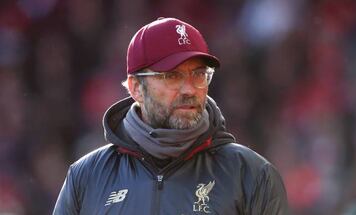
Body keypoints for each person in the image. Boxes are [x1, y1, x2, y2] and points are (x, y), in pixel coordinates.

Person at [53, 17, 289, 215]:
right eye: (172, 76)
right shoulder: (86, 178)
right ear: (136, 88)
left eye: (198, 74)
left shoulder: (252, 175)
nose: (189, 89)